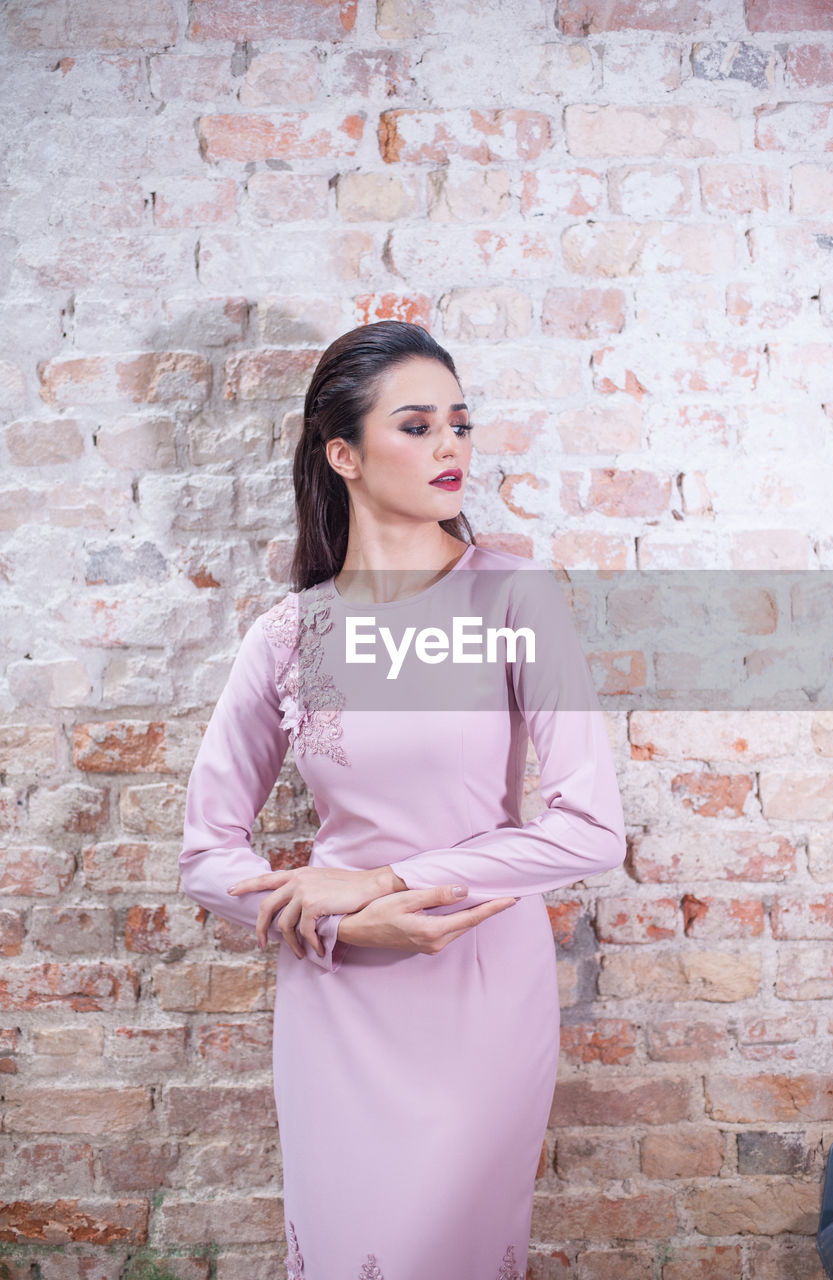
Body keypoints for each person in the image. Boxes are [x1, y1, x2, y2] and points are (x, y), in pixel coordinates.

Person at [179, 319, 626, 1280]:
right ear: (343, 453)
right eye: (417, 426)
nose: (451, 447)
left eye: (459, 424)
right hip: (336, 1001)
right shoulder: (288, 635)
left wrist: (382, 881)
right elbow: (207, 853)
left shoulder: (514, 599)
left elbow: (591, 830)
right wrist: (344, 924)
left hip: (479, 991)